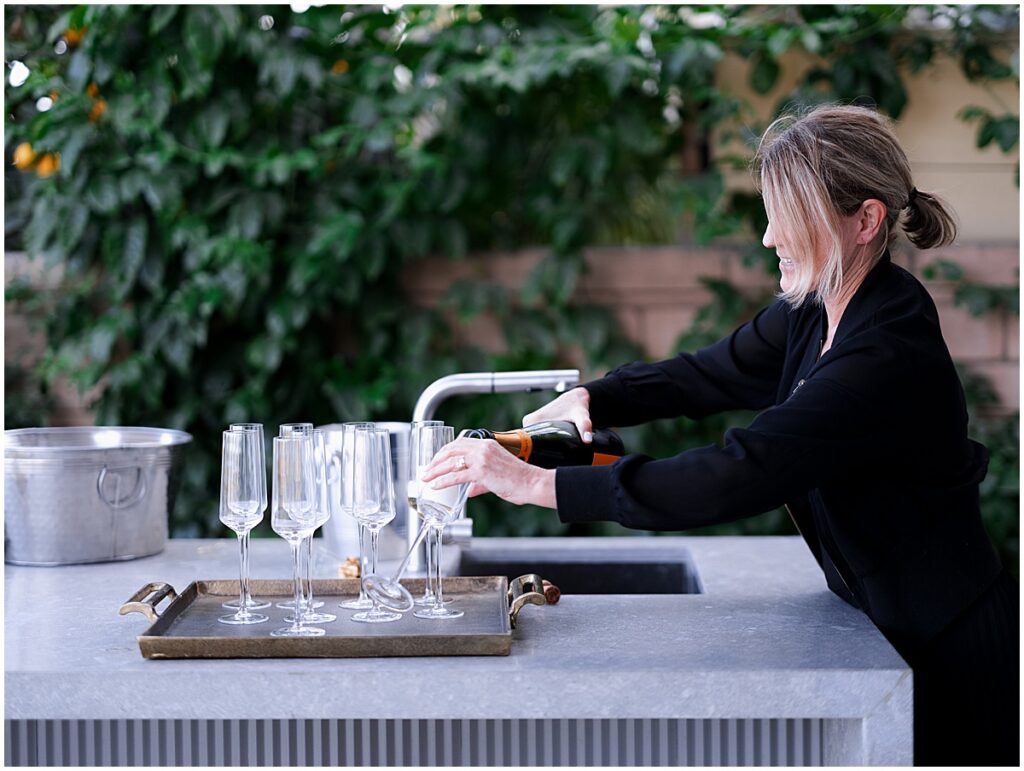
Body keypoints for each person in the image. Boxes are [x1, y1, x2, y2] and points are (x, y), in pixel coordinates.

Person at [421, 104, 1019, 766]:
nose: (768, 237)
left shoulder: (884, 351)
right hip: (885, 626)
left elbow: (739, 472)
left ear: (866, 220)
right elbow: (705, 373)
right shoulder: (815, 311)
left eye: (788, 216)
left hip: (954, 653)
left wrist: (540, 484)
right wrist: (599, 393)